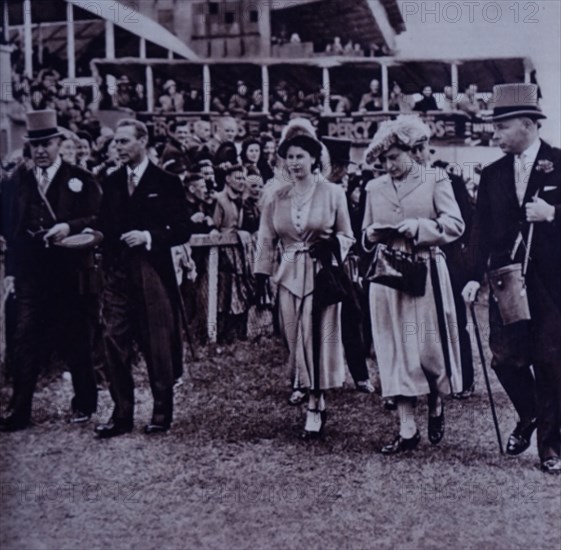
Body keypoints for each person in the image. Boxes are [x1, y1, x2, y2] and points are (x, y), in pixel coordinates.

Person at [462, 83, 561, 474]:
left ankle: (551, 448)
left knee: (552, 362)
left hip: (553, 284)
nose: (495, 135)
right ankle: (531, 414)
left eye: (502, 126)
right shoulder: (492, 174)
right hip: (506, 281)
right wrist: (471, 276)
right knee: (504, 357)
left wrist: (553, 215)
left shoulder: (559, 163)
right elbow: (480, 230)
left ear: (528, 123)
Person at [362, 118, 464, 454]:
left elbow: (455, 224)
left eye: (394, 157)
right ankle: (407, 428)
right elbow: (363, 235)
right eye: (384, 161)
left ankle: (436, 396)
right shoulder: (374, 188)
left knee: (426, 351)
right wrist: (372, 235)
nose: (389, 166)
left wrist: (420, 227)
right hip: (388, 275)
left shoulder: (435, 179)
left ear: (411, 150)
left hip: (426, 269)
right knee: (392, 348)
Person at [0, 110, 101, 432]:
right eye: (35, 145)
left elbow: (98, 219)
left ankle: (85, 403)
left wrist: (67, 227)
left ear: (59, 143)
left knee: (75, 340)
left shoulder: (80, 178)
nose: (41, 150)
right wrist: (11, 272)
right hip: (32, 275)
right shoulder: (18, 180)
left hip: (70, 273)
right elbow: (10, 230)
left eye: (47, 143)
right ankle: (19, 411)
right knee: (24, 339)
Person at [254, 119, 354, 438]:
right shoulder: (276, 196)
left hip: (321, 273)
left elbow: (347, 235)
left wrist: (330, 247)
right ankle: (309, 389)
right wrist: (262, 274)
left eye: (300, 156)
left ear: (314, 158)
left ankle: (315, 399)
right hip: (287, 275)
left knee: (317, 337)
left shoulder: (333, 193)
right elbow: (266, 237)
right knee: (295, 337)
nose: (295, 162)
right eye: (290, 157)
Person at [95, 119, 191, 438]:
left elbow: (182, 229)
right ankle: (121, 414)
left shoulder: (167, 182)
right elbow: (105, 226)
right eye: (116, 143)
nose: (118, 148)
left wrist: (149, 236)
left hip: (152, 273)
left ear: (143, 141)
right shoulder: (110, 182)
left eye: (124, 141)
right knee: (113, 340)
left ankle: (161, 413)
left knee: (156, 344)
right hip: (118, 274)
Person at [400, 115, 476, 398]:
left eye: (423, 148)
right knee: (417, 322)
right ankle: (425, 379)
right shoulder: (400, 185)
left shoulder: (449, 179)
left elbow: (466, 221)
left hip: (450, 257)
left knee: (454, 318)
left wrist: (466, 259)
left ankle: (463, 379)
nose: (420, 155)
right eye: (413, 150)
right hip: (414, 260)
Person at [323, 137, 375, 394]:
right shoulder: (316, 192)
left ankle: (360, 375)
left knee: (352, 314)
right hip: (318, 264)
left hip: (343, 264)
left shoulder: (342, 193)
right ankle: (311, 377)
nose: (345, 172)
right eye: (342, 166)